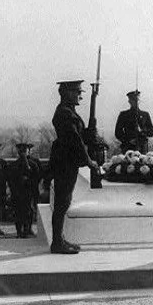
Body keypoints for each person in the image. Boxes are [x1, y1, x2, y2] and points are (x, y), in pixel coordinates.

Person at [47, 80, 99, 254]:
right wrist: (89, 161)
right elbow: (75, 140)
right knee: (62, 203)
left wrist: (90, 131)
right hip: (65, 163)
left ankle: (59, 239)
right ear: (67, 92)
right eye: (77, 92)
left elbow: (80, 135)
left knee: (64, 202)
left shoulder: (68, 112)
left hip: (67, 162)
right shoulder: (64, 113)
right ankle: (57, 243)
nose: (79, 96)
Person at [8, 143, 40, 238]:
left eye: (24, 151)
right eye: (21, 151)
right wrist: (14, 190)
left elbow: (36, 178)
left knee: (28, 212)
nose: (23, 153)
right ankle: (19, 231)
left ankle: (26, 230)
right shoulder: (14, 165)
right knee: (17, 212)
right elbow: (10, 180)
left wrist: (29, 183)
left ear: (28, 152)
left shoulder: (33, 164)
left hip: (28, 192)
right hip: (17, 192)